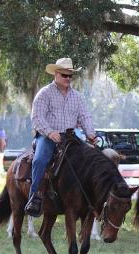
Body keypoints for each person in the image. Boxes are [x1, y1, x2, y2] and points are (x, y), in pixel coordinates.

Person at [24, 57, 96, 217]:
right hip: (47, 136)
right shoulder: (44, 93)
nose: (68, 78)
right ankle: (34, 198)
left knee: (90, 160)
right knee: (40, 159)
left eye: (70, 75)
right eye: (64, 75)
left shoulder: (78, 97)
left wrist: (91, 133)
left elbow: (85, 117)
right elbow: (37, 117)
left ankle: (89, 198)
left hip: (70, 137)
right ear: (56, 74)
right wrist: (50, 132)